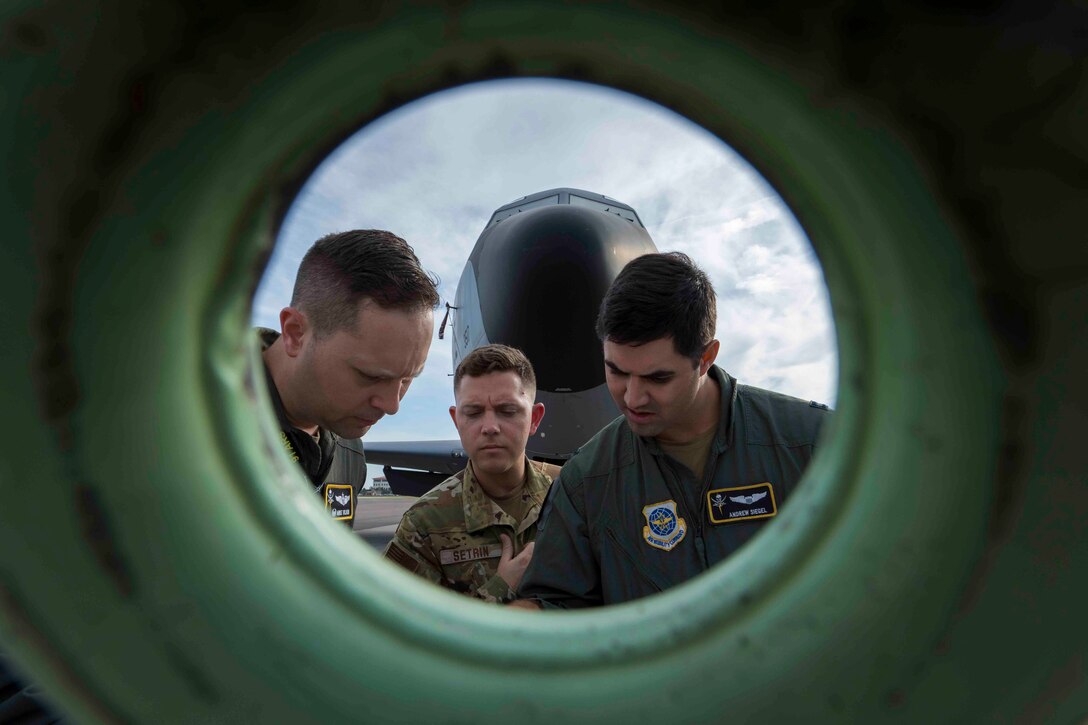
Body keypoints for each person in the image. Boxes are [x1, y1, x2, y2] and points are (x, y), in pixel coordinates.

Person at [512, 252, 830, 609]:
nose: (632, 397)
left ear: (706, 358)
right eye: (616, 371)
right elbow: (557, 608)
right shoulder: (586, 481)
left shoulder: (814, 444)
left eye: (657, 377)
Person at [260, 229, 439, 526]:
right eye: (370, 376)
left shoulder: (348, 448)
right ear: (295, 333)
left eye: (408, 379)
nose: (392, 405)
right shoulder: (190, 422)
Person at [383, 344, 560, 603]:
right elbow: (398, 628)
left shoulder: (574, 497)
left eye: (507, 411)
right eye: (474, 413)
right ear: (457, 421)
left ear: (534, 418)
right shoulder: (424, 526)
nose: (489, 427)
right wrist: (499, 589)